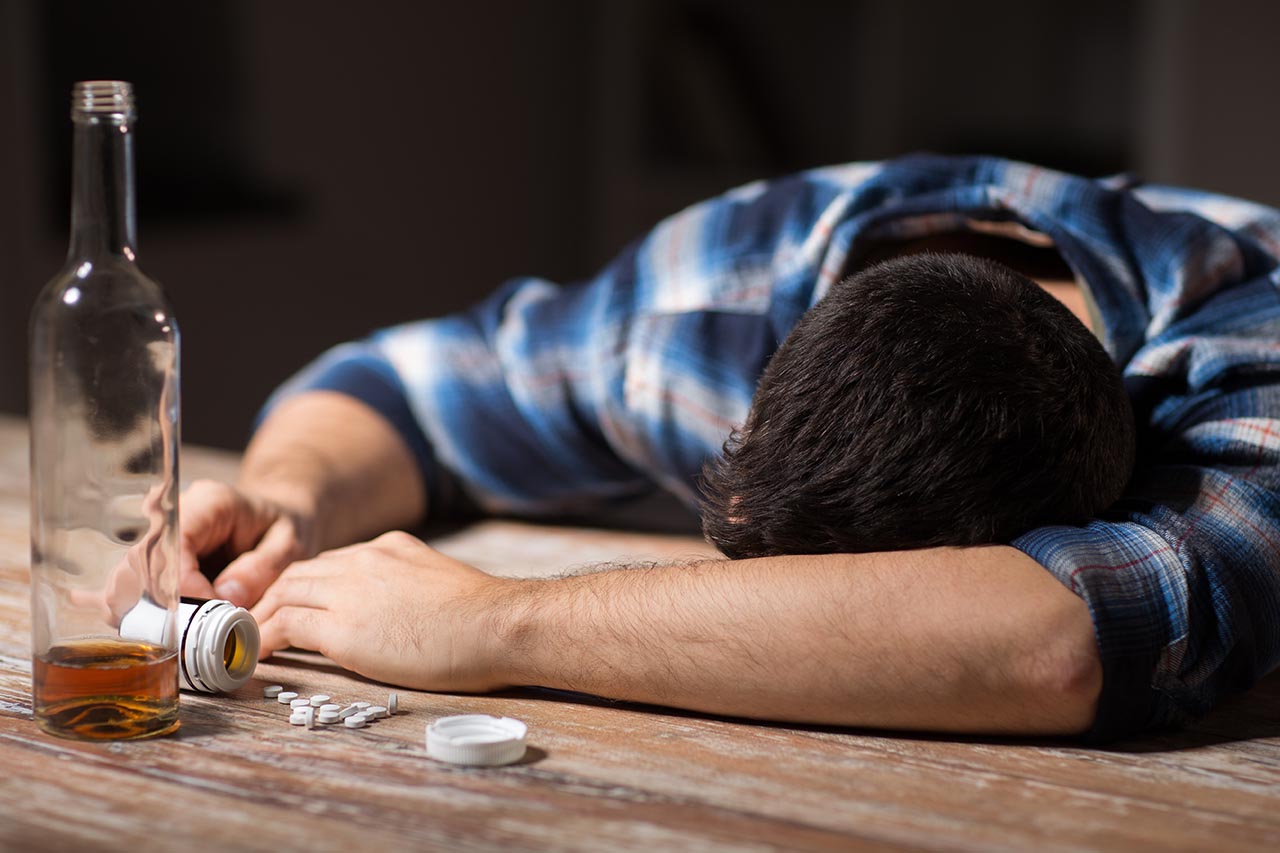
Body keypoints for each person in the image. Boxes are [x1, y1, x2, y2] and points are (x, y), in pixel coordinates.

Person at [180, 154, 1280, 743]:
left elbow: (1059, 643)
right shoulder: (728, 295)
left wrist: (485, 623)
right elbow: (408, 385)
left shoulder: (1250, 378)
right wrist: (290, 494)